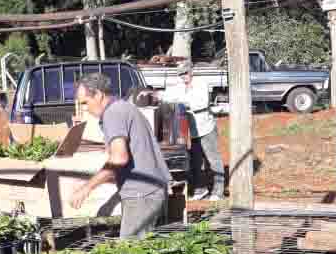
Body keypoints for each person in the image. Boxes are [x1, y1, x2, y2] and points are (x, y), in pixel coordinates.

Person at [70, 73, 172, 239]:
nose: (84, 108)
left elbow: (119, 158)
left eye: (85, 103)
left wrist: (86, 188)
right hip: (148, 191)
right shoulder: (122, 107)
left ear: (98, 95)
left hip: (142, 195)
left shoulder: (113, 113)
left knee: (131, 253)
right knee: (143, 251)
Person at [161, 62, 224, 201]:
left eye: (185, 73)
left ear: (191, 71)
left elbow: (201, 103)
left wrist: (183, 103)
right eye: (181, 74)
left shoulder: (201, 84)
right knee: (195, 161)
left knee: (213, 159)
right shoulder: (179, 87)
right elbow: (166, 97)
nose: (184, 76)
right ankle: (200, 189)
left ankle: (218, 190)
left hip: (206, 127)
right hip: (192, 131)